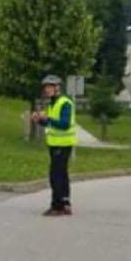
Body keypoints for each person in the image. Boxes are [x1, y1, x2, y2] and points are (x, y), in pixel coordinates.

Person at [31, 74, 75, 216]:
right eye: (46, 87)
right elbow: (51, 123)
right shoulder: (52, 103)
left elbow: (64, 124)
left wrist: (47, 119)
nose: (46, 90)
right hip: (55, 143)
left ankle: (57, 206)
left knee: (55, 175)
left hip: (62, 144)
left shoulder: (64, 102)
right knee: (62, 174)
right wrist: (39, 120)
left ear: (57, 88)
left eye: (49, 87)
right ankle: (65, 203)